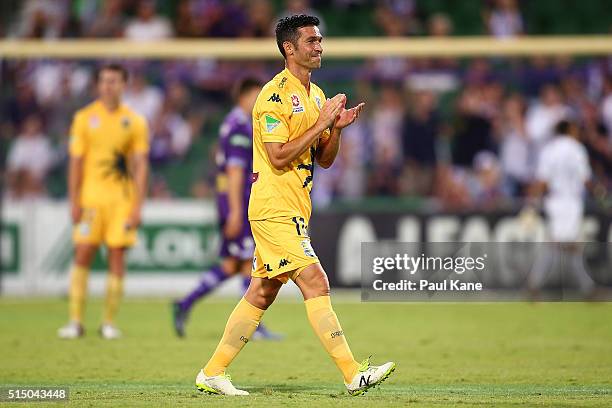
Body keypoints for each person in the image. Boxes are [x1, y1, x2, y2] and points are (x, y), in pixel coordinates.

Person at [194, 14, 395, 396]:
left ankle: (212, 372)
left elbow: (324, 160)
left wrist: (334, 129)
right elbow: (278, 156)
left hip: (295, 208)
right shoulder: (271, 97)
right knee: (316, 282)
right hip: (272, 208)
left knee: (262, 293)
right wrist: (321, 124)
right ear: (289, 48)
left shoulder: (316, 96)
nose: (319, 46)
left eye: (320, 40)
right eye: (311, 41)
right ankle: (354, 374)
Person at [172, 77, 282, 340]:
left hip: (235, 202)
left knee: (233, 265)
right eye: (255, 99)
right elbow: (234, 172)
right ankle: (252, 327)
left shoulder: (238, 124)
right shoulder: (239, 127)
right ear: (242, 98)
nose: (259, 104)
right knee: (249, 264)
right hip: (238, 203)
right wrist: (235, 211)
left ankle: (184, 303)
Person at [57, 64, 149, 339]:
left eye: (115, 81)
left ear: (124, 85)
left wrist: (137, 205)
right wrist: (73, 200)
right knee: (83, 253)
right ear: (98, 85)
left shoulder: (134, 121)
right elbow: (76, 162)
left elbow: (141, 166)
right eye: (105, 81)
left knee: (117, 257)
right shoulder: (84, 118)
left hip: (121, 201)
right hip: (91, 200)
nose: (109, 86)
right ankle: (75, 321)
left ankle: (108, 322)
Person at [527, 120, 596, 298]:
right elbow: (586, 178)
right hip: (571, 202)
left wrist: (532, 203)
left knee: (563, 245)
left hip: (554, 202)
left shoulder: (549, 150)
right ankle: (586, 289)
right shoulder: (576, 148)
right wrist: (602, 196)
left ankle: (586, 288)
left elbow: (542, 181)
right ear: (570, 129)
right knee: (563, 246)